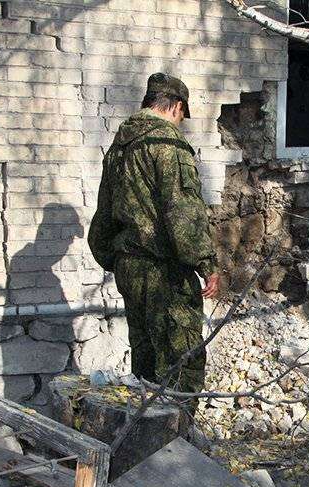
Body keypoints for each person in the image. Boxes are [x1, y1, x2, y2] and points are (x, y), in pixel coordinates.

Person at [88, 72, 219, 400]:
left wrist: (116, 258)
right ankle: (177, 429)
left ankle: (144, 427)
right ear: (176, 106)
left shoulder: (120, 145)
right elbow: (183, 212)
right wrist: (206, 263)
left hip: (129, 266)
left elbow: (104, 212)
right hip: (163, 270)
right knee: (181, 362)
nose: (180, 123)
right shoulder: (167, 144)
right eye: (182, 116)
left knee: (145, 359)